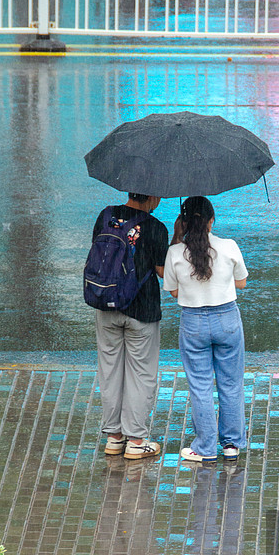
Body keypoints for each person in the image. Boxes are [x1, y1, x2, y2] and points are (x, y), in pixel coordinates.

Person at [163, 196, 248, 463]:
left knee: (200, 386)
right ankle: (231, 445)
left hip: (193, 322)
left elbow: (173, 291)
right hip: (227, 319)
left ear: (184, 221)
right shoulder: (229, 246)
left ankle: (206, 448)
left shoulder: (175, 252)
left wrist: (177, 238)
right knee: (231, 383)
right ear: (212, 221)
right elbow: (242, 283)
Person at [93, 192, 168, 459]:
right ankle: (136, 441)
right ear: (152, 195)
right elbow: (162, 272)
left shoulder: (106, 216)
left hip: (106, 303)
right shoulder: (156, 227)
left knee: (110, 372)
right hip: (142, 309)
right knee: (140, 374)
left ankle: (114, 438)